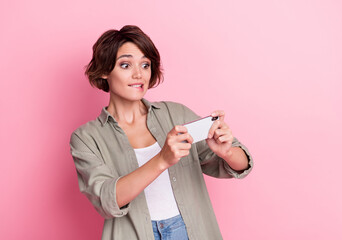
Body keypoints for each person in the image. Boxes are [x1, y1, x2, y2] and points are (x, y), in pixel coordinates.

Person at [70, 25, 253, 240]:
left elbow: (242, 164)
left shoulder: (176, 114)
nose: (139, 74)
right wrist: (162, 159)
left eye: (145, 64)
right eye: (126, 64)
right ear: (103, 70)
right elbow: (107, 200)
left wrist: (226, 152)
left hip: (190, 231)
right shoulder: (86, 138)